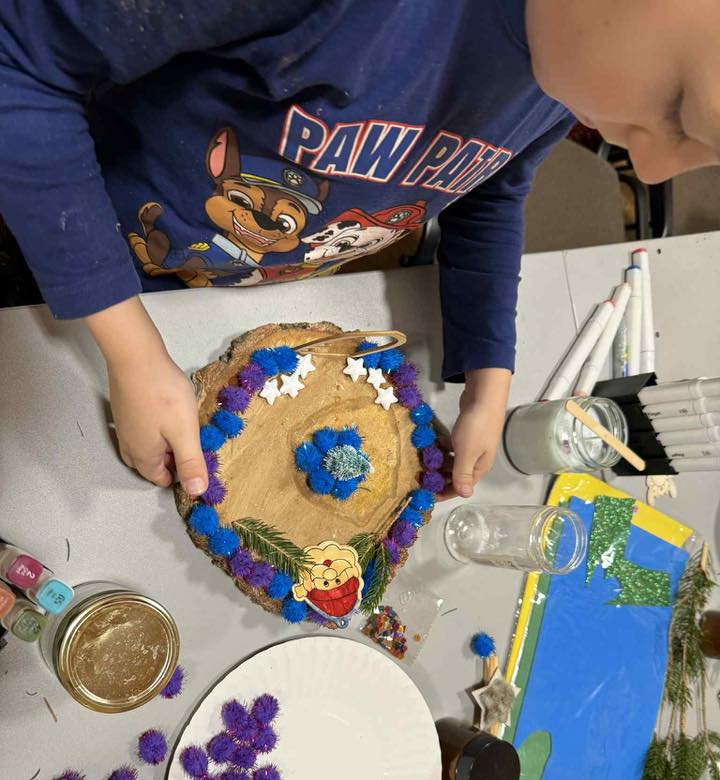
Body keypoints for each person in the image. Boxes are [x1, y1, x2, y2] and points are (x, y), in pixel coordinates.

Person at [0, 0, 717, 499]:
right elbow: (18, 63)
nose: (652, 171)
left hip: (210, 304)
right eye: (681, 107)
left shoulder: (572, 60)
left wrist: (489, 377)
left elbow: (492, 189)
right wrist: (129, 351)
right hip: (56, 253)